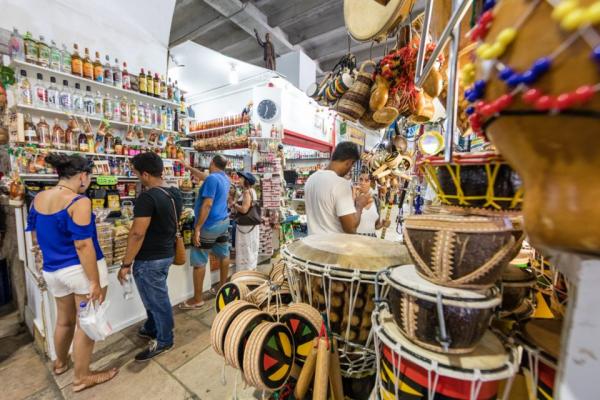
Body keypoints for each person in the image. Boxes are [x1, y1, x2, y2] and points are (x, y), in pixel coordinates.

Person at [26, 153, 118, 392]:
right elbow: (83, 245)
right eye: (89, 177)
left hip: (52, 270)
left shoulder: (38, 198)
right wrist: (95, 283)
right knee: (86, 323)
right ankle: (82, 376)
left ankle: (60, 363)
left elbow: (36, 238)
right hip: (79, 271)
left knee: (64, 321)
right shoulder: (79, 201)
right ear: (82, 176)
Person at [117, 152, 182, 362]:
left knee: (157, 300)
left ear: (145, 174)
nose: (136, 177)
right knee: (154, 298)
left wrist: (126, 263)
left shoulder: (147, 197)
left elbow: (137, 233)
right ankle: (152, 327)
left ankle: (165, 339)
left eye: (136, 173)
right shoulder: (174, 193)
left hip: (149, 260)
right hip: (165, 254)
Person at [180, 155, 231, 309]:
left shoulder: (212, 179)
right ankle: (222, 288)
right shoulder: (224, 178)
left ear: (211, 163)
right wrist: (188, 168)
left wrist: (197, 228)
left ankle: (197, 299)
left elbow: (207, 205)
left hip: (209, 224)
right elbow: (205, 177)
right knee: (224, 255)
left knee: (199, 261)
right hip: (223, 222)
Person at [304, 141, 372, 235]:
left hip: (312, 244)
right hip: (332, 247)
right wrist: (359, 205)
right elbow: (351, 228)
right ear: (349, 162)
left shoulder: (311, 179)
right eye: (352, 166)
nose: (350, 169)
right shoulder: (341, 184)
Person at [230, 171, 260, 271]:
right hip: (250, 226)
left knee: (245, 249)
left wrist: (234, 204)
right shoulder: (252, 191)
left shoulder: (247, 192)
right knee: (250, 250)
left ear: (246, 181)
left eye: (241, 178)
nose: (239, 180)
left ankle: (245, 274)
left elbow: (244, 209)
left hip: (245, 227)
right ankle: (251, 272)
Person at [355, 170, 389, 237]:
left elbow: (376, 226)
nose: (362, 183)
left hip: (371, 240)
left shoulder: (376, 201)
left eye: (366, 180)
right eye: (361, 180)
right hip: (356, 240)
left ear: (371, 183)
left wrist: (383, 224)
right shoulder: (353, 199)